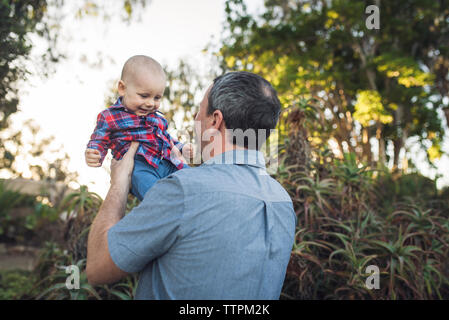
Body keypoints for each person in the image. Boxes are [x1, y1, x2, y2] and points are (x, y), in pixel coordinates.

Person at [86, 71, 297, 300]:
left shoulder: (184, 190)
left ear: (215, 120)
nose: (195, 117)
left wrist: (119, 183)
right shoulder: (283, 202)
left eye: (199, 110)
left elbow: (97, 267)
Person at [85, 55, 193, 201]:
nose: (150, 103)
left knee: (192, 182)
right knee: (156, 196)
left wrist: (182, 147)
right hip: (138, 166)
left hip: (167, 161)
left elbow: (166, 138)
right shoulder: (110, 116)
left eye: (157, 98)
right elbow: (99, 138)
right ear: (122, 88)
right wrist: (94, 152)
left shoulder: (156, 117)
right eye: (144, 96)